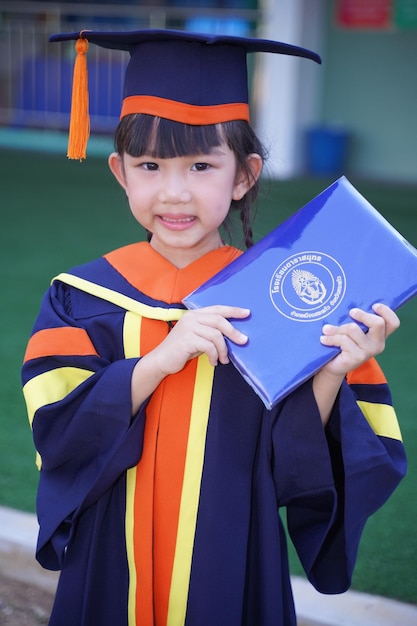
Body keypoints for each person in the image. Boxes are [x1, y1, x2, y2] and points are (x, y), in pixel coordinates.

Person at [21, 29, 406, 626]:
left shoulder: (288, 302)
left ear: (245, 175)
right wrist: (156, 361)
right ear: (121, 173)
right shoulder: (83, 300)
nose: (174, 192)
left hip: (234, 561)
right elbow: (59, 434)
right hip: (110, 562)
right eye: (150, 165)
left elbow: (301, 476)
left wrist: (331, 373)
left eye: (202, 165)